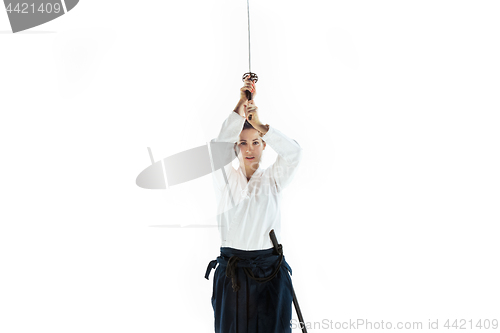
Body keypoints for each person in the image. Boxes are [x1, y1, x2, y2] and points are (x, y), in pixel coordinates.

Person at [205, 76, 303, 333]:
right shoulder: (225, 179)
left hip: (269, 273)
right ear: (236, 146)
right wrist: (240, 105)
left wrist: (261, 124)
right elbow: (217, 149)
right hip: (232, 275)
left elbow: (294, 154)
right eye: (243, 143)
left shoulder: (273, 179)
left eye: (256, 141)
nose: (250, 149)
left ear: (264, 145)